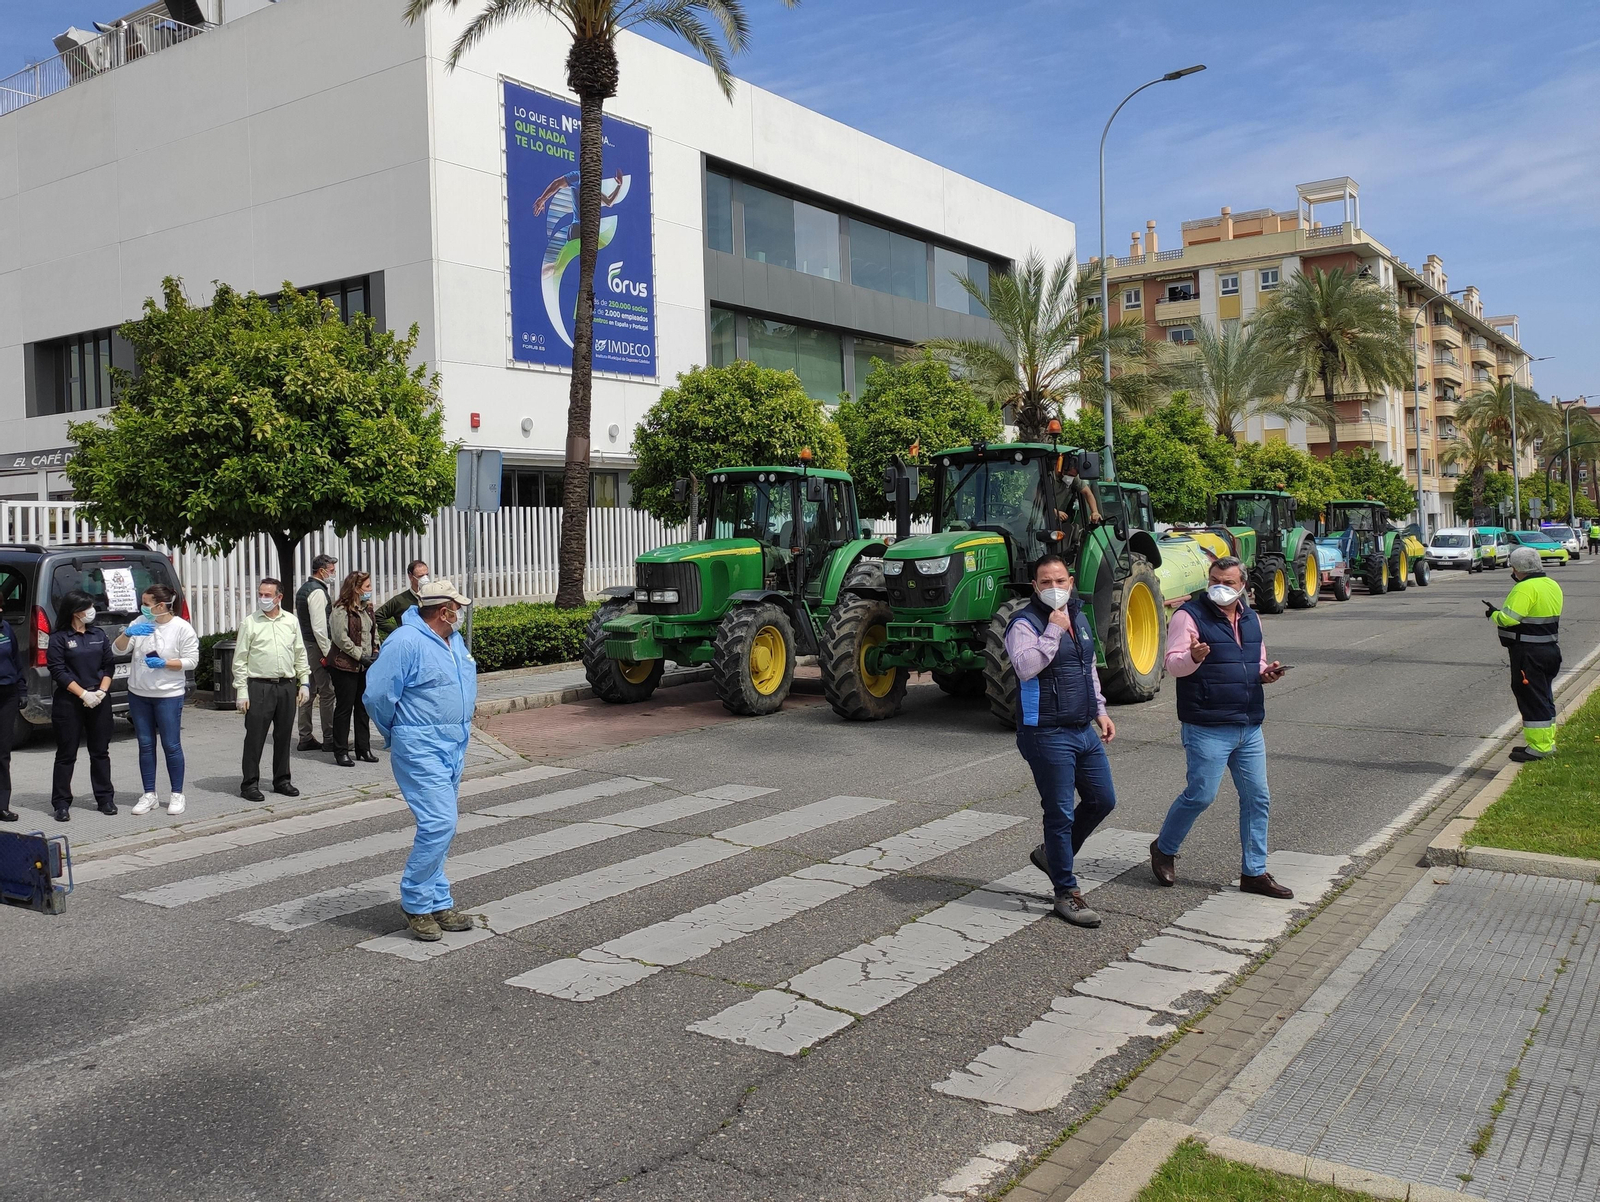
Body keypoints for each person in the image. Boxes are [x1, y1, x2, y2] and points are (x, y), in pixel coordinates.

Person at [1150, 556, 1292, 897]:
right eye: (1215, 580)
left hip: (1248, 723)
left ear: (1242, 584)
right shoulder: (1188, 616)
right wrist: (1194, 657)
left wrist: (1265, 673)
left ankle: (1254, 872)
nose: (1220, 587)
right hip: (1207, 724)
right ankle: (1164, 848)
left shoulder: (1251, 618)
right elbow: (1173, 666)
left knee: (1258, 798)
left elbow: (1254, 661)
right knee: (1201, 795)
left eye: (1228, 582)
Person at [1006, 554, 1117, 928]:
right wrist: (1053, 629)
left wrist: (1100, 709)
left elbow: (1087, 667)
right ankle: (1065, 891)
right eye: (1045, 582)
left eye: (1060, 581)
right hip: (1045, 731)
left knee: (1103, 799)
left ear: (1071, 581)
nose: (1054, 588)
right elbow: (1025, 668)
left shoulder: (1080, 616)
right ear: (1035, 586)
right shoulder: (1024, 622)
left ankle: (1054, 856)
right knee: (1060, 812)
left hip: (1082, 726)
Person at [364, 579, 479, 942]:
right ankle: (415, 902)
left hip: (453, 742)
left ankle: (438, 899)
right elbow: (378, 695)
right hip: (420, 743)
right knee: (439, 823)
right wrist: (397, 731)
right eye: (456, 608)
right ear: (443, 611)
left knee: (442, 826)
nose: (460, 613)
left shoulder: (453, 640)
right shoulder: (405, 641)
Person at [115, 585, 200, 817]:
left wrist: (165, 663)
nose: (143, 607)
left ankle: (177, 793)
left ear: (161, 605)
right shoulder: (140, 622)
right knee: (145, 744)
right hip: (139, 693)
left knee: (171, 745)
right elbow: (118, 649)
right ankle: (149, 794)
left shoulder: (182, 628)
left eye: (146, 602)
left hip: (167, 695)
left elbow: (192, 661)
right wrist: (128, 634)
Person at [234, 578, 311, 802]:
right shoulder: (250, 623)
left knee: (284, 735)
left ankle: (282, 780)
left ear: (279, 597)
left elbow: (299, 653)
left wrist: (304, 681)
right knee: (255, 736)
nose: (263, 599)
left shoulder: (291, 621)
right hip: (259, 685)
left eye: (268, 595)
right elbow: (240, 660)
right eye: (261, 594)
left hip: (286, 685)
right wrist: (241, 691)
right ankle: (249, 783)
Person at [1487, 545, 1564, 762]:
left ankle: (1539, 748)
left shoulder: (1524, 588)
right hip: (1549, 650)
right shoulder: (1551, 585)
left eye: (1513, 568)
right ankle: (1545, 743)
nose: (1512, 572)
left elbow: (1508, 618)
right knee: (1544, 697)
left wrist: (1494, 614)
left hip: (1529, 654)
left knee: (1532, 699)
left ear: (1518, 568)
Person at [46, 589, 117, 822]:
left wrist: (101, 692)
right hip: (70, 701)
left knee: (100, 751)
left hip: (99, 698)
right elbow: (58, 670)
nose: (91, 611)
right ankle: (61, 803)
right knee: (66, 753)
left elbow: (109, 666)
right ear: (75, 612)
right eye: (87, 608)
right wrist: (83, 694)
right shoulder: (59, 638)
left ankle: (105, 798)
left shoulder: (98, 634)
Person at [328, 570, 381, 768]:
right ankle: (340, 751)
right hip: (345, 665)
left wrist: (376, 649)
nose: (370, 590)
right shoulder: (341, 610)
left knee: (363, 707)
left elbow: (372, 631)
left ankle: (363, 748)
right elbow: (341, 639)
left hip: (364, 666)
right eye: (367, 587)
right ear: (357, 588)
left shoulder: (367, 608)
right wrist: (361, 656)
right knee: (344, 708)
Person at [295, 553, 339, 751]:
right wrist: (328, 654)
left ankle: (305, 736)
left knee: (308, 690)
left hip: (306, 644)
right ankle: (330, 738)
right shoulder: (318, 592)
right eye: (331, 570)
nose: (334, 573)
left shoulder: (304, 589)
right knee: (327, 691)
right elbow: (320, 628)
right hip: (316, 646)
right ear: (321, 571)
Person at [0, 606, 29, 823]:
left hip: (6, 695)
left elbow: (16, 661)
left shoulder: (6, 628)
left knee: (2, 753)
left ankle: (2, 805)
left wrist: (21, 690)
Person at [376, 560, 430, 637]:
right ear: (411, 576)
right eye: (420, 576)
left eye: (427, 575)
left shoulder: (435, 597)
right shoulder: (400, 600)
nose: (425, 579)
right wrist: (397, 630)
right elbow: (377, 616)